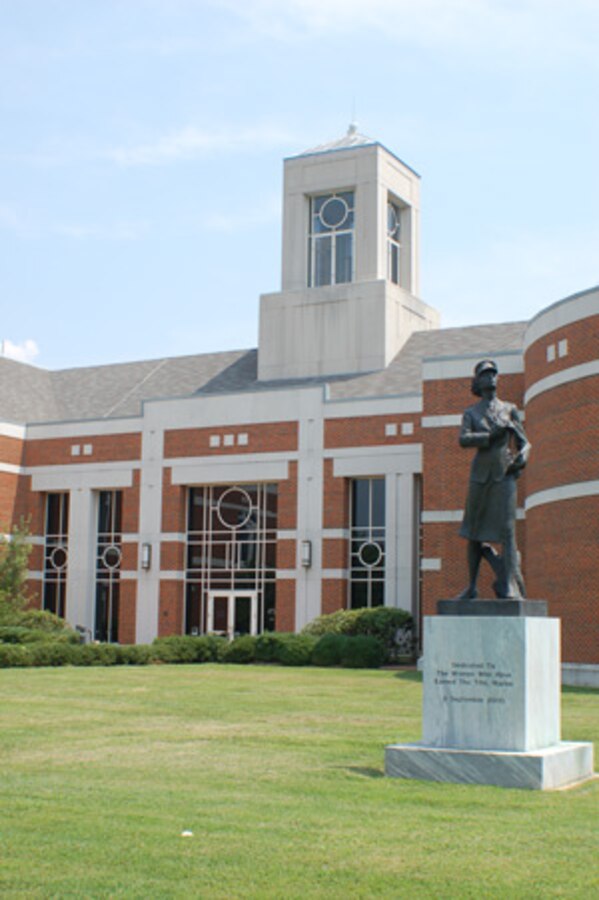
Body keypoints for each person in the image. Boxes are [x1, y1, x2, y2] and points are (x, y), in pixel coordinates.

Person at [457, 359, 531, 599]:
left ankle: (509, 584)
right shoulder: (471, 412)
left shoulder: (509, 409)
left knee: (508, 531)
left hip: (504, 473)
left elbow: (525, 442)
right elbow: (464, 439)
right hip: (480, 476)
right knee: (473, 532)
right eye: (484, 375)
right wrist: (489, 435)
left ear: (498, 379)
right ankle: (471, 587)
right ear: (477, 381)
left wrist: (522, 457)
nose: (490, 378)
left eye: (493, 374)